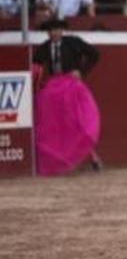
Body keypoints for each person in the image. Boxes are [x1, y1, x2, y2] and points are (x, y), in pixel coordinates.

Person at [31, 18, 102, 175]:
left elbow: (95, 54)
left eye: (57, 29)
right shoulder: (44, 47)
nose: (54, 33)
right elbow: (35, 65)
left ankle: (93, 157)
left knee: (77, 122)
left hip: (72, 85)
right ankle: (66, 160)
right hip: (55, 87)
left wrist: (81, 71)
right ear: (47, 33)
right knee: (56, 123)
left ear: (62, 30)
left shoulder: (73, 42)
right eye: (51, 30)